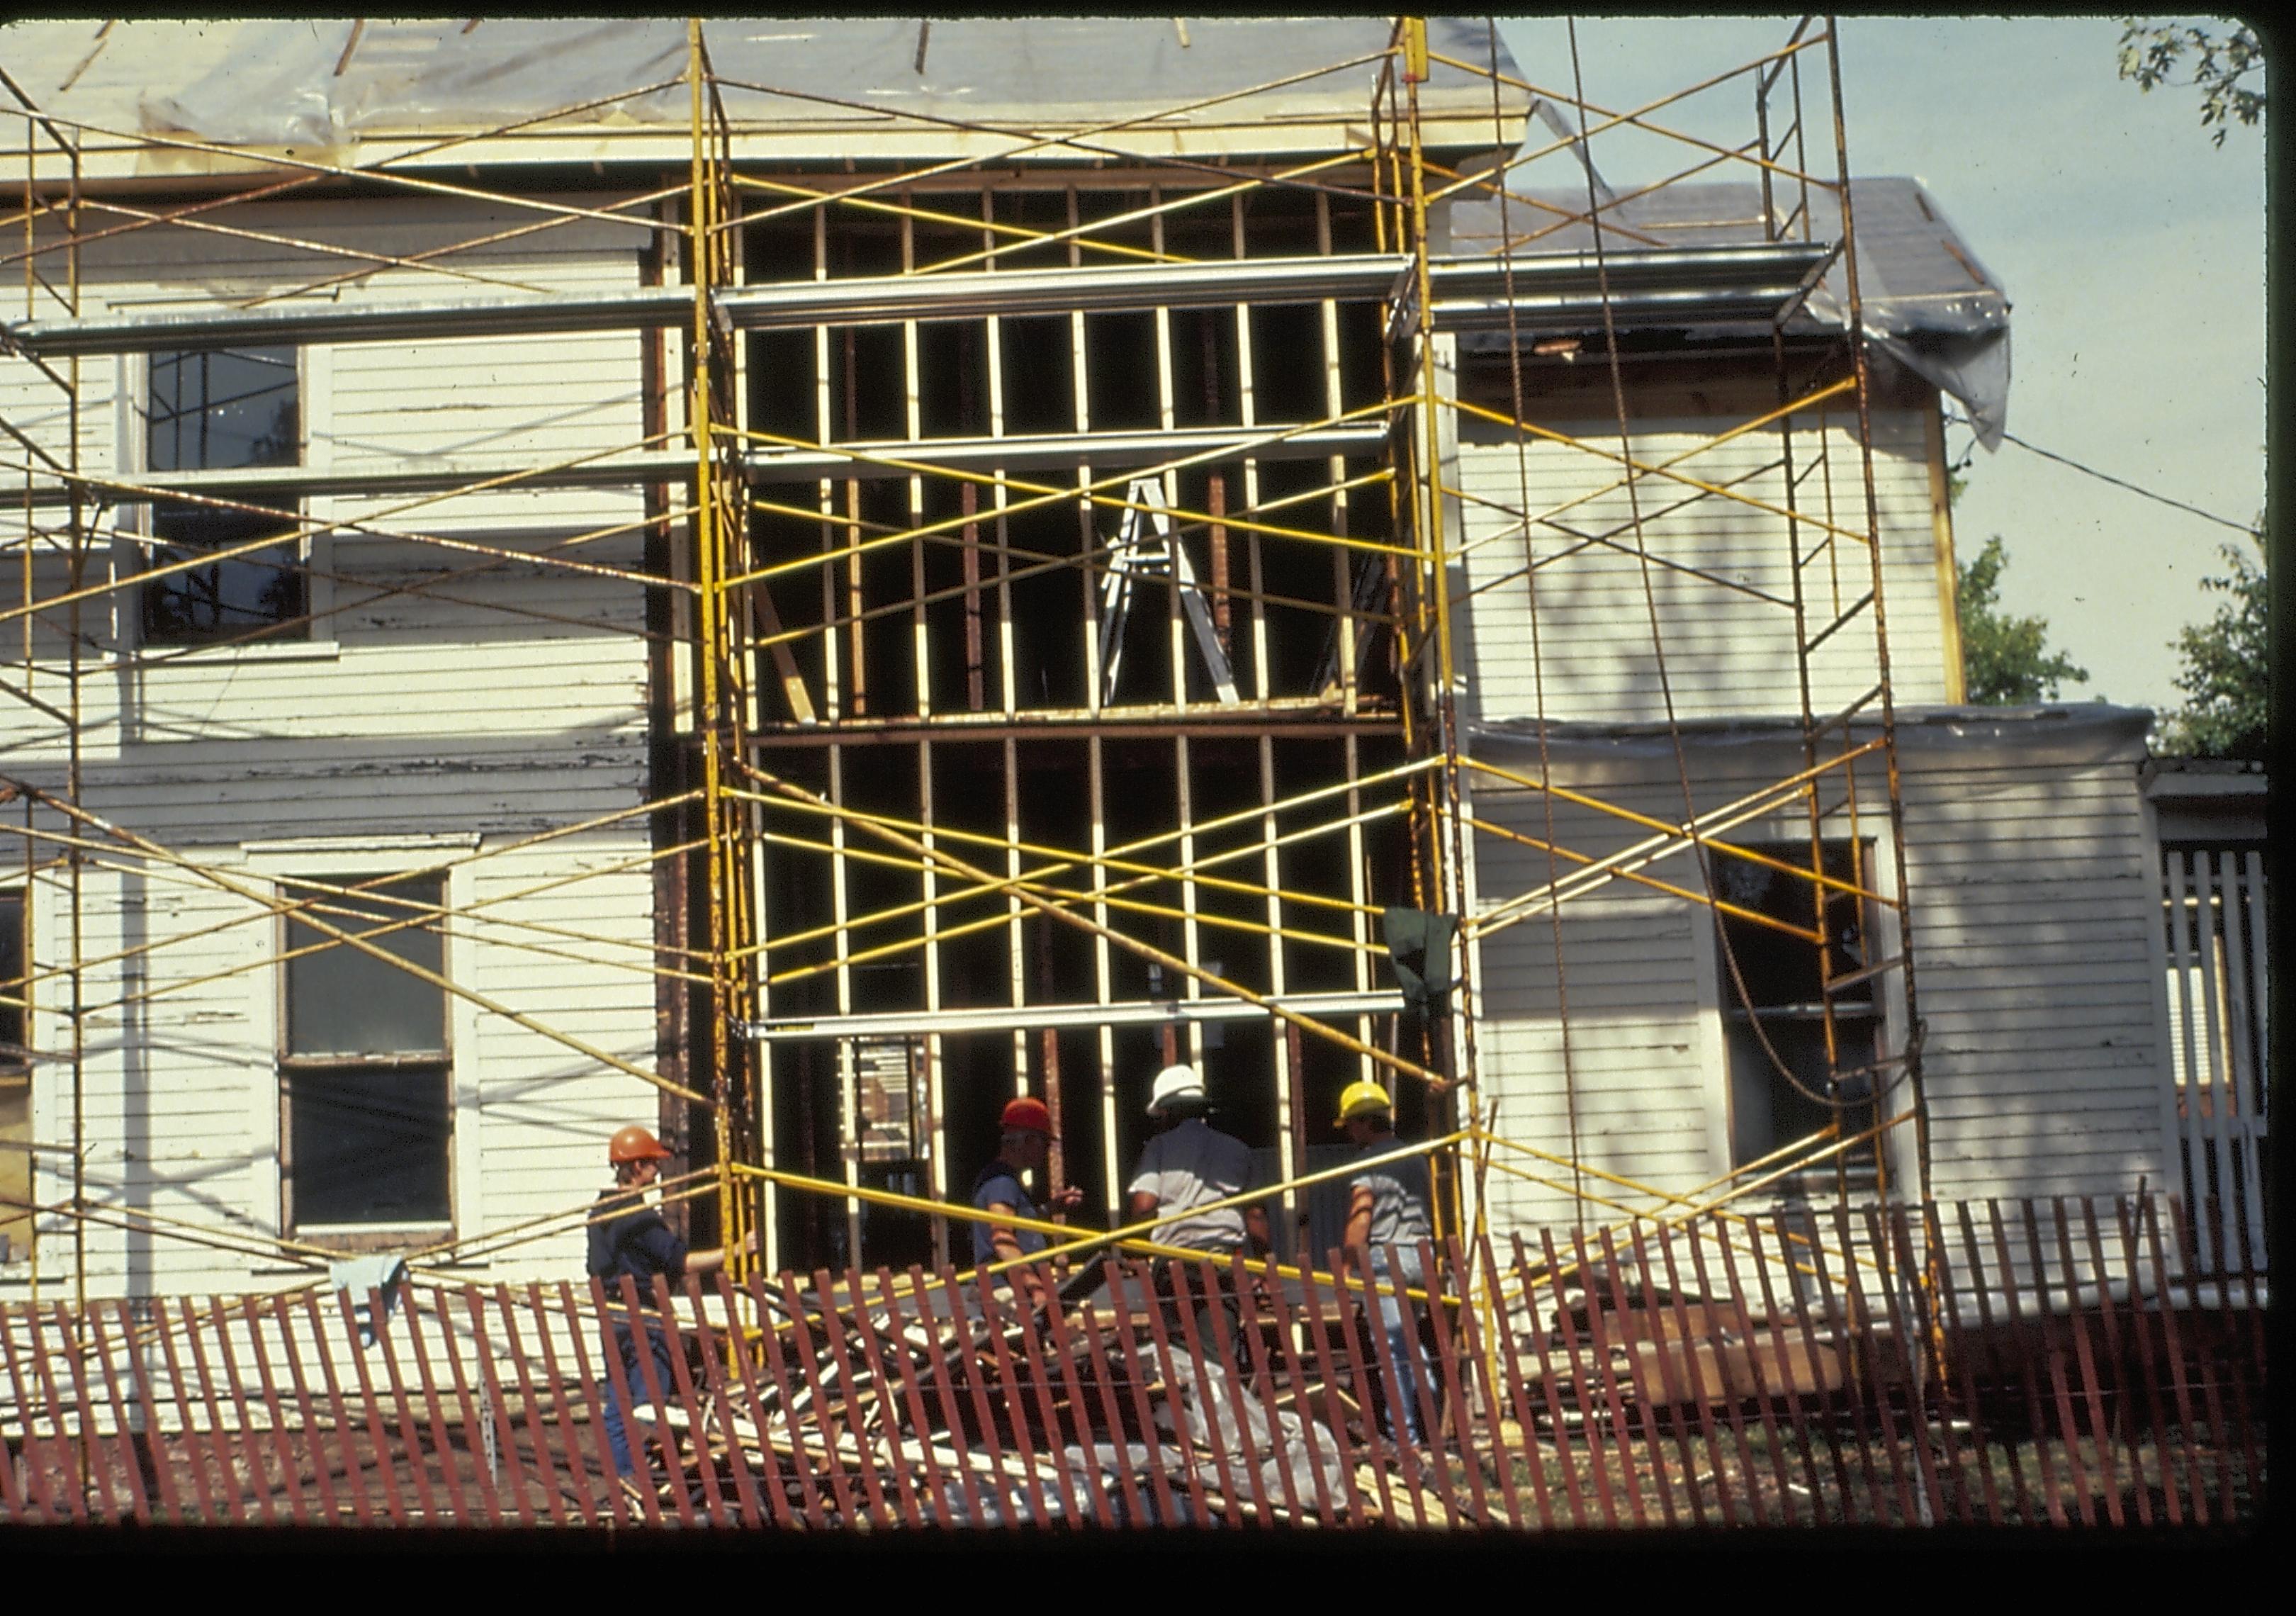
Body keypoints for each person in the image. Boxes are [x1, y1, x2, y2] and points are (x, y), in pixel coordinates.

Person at [586, 1123, 736, 1482]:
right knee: (649, 1400)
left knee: (618, 1402)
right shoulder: (638, 1217)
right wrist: (735, 1250)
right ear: (636, 1167)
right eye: (652, 1164)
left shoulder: (598, 1212)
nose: (657, 1172)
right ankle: (647, 1477)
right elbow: (680, 1261)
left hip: (612, 1313)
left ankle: (624, 1476)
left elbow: (594, 1266)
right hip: (640, 1314)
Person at [1123, 1062, 1273, 1372]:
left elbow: (1143, 1205)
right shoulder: (1237, 1150)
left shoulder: (1160, 1147)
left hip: (1174, 1262)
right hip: (1221, 1264)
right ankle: (1222, 1416)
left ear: (1166, 1112)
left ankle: (1191, 1417)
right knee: (1218, 1358)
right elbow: (1256, 1215)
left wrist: (1132, 1250)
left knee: (1179, 1359)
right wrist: (1265, 1264)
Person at [1336, 1079, 1434, 1448]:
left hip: (1387, 1257)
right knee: (1412, 1346)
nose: (1349, 1133)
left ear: (1362, 1122)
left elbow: (1362, 1215)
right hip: (1420, 1256)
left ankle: (1405, 1440)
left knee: (1392, 1351)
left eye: (1350, 1125)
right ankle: (1430, 1428)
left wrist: (1345, 1266)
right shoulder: (1417, 1157)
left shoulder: (1366, 1161)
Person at [969, 1095, 1085, 1314]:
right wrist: (1035, 1288)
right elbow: (1003, 1240)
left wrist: (1051, 1208)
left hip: (1011, 1288)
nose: (1046, 1152)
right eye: (1044, 1143)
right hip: (1007, 1292)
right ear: (1027, 1141)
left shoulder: (1006, 1182)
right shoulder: (1001, 1182)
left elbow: (1018, 1222)